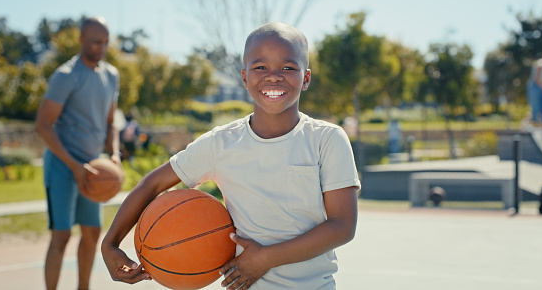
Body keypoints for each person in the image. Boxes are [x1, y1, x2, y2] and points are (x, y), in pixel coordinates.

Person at [101, 22, 360, 290]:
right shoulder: (221, 143)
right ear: (244, 77)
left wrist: (266, 258)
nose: (273, 76)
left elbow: (342, 225)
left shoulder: (327, 139)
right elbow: (152, 184)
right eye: (260, 67)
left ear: (305, 78)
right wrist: (110, 243)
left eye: (288, 67)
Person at [35, 16, 121, 290]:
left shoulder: (111, 75)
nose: (102, 48)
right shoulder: (66, 76)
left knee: (93, 232)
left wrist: (115, 153)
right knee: (61, 236)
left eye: (106, 42)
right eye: (96, 42)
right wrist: (73, 165)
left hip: (93, 169)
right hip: (63, 165)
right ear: (82, 39)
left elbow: (111, 122)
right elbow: (43, 125)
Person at [527, 51, 542, 126]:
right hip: (535, 86)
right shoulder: (541, 64)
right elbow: (536, 79)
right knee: (536, 105)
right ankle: (534, 122)